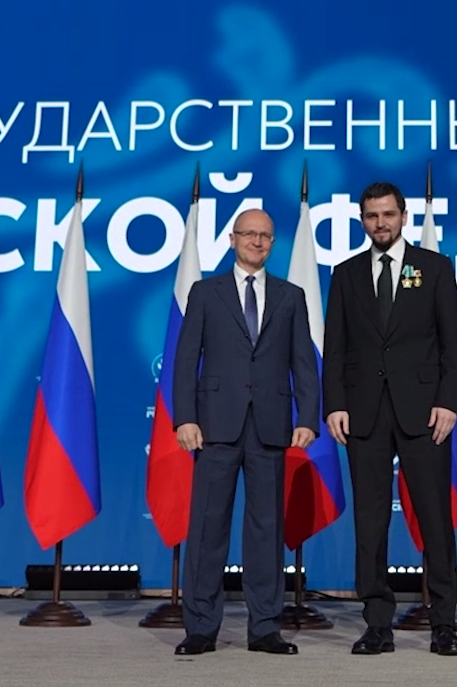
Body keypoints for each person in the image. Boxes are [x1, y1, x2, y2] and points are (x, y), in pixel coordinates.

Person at [323, 181, 457, 657]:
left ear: (404, 216)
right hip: (363, 412)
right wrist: (334, 404)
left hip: (425, 412)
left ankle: (443, 623)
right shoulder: (345, 274)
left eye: (388, 214)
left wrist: (448, 402)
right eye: (371, 215)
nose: (380, 223)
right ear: (362, 220)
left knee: (435, 519)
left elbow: (453, 342)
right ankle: (376, 624)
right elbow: (335, 347)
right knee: (370, 521)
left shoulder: (435, 267)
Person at [171, 208, 318, 656]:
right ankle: (200, 628)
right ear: (232, 239)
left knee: (266, 531)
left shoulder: (291, 296)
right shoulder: (205, 292)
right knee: (207, 528)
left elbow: (303, 362)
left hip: (270, 426)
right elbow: (185, 359)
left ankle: (265, 628)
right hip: (215, 425)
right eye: (249, 234)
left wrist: (308, 417)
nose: (257, 241)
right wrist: (185, 417)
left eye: (265, 236)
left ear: (273, 243)